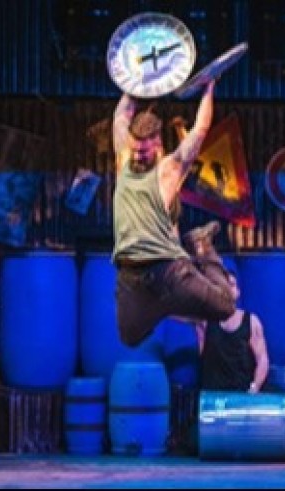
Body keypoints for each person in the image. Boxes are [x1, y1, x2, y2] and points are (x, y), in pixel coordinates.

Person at [112, 79, 235, 348]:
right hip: (132, 277)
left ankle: (203, 246)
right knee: (130, 338)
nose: (139, 156)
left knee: (226, 307)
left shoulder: (169, 170)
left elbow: (200, 130)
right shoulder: (123, 159)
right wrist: (135, 79)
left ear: (157, 144)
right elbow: (121, 114)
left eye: (145, 151)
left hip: (169, 272)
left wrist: (209, 89)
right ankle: (163, 306)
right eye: (136, 150)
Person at [195, 266, 269, 393]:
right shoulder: (205, 321)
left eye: (231, 285)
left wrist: (255, 387)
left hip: (241, 396)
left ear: (238, 291)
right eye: (223, 285)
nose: (228, 289)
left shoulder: (251, 322)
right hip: (212, 396)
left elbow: (262, 359)